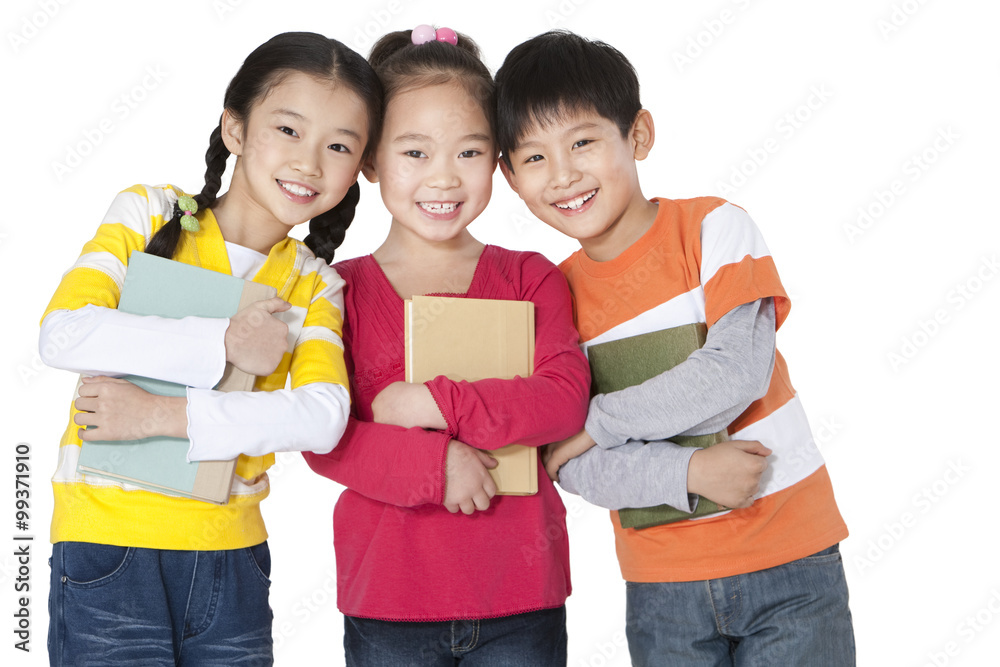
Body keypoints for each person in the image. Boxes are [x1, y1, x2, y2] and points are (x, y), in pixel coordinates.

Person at [495, 30, 855, 666]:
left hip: (791, 559)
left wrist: (599, 422)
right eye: (534, 158)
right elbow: (565, 462)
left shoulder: (714, 227)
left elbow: (735, 374)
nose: (564, 175)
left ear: (637, 135)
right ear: (509, 177)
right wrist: (686, 475)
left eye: (582, 141)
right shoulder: (549, 298)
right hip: (662, 586)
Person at [39, 32, 381, 666]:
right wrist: (223, 343)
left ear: (360, 166)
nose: (309, 162)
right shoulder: (150, 213)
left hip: (230, 559)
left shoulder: (315, 282)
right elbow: (65, 332)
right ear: (235, 128)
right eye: (288, 129)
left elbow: (323, 416)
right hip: (106, 545)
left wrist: (161, 416)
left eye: (338, 145)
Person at [301, 25, 590, 666]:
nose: (444, 178)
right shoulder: (333, 291)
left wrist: (436, 403)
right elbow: (325, 439)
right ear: (371, 159)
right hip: (389, 600)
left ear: (497, 160)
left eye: (468, 153)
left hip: (520, 595)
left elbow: (564, 401)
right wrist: (439, 469)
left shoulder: (529, 276)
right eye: (414, 153)